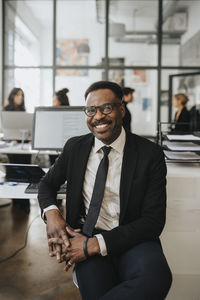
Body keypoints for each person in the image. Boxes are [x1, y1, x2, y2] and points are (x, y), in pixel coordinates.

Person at [38, 81, 172, 300]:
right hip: (87, 233)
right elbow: (46, 184)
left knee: (157, 278)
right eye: (91, 110)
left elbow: (154, 221)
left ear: (121, 109)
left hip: (133, 238)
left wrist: (95, 245)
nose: (98, 116)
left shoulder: (150, 154)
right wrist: (52, 214)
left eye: (106, 108)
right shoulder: (75, 147)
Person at [4, 88, 31, 214]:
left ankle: (25, 202)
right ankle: (16, 202)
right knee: (14, 172)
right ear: (13, 96)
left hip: (24, 145)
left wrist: (30, 139)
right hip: (12, 145)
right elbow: (5, 132)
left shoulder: (24, 111)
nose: (21, 97)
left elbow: (28, 130)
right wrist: (11, 141)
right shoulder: (6, 111)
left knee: (26, 172)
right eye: (18, 95)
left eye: (22, 95)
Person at [49, 88, 70, 166]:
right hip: (53, 149)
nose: (52, 104)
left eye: (54, 101)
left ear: (61, 101)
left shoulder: (70, 115)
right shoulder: (51, 115)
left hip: (65, 148)